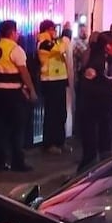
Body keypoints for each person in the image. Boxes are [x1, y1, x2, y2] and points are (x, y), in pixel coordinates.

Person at [0, 19, 37, 172]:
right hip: (14, 94)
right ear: (11, 32)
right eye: (16, 32)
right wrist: (32, 90)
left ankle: (0, 162)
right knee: (18, 128)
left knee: (0, 128)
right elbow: (24, 73)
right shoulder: (15, 50)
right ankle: (18, 162)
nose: (18, 34)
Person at [78, 32, 112, 171]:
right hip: (92, 114)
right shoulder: (96, 62)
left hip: (107, 112)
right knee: (91, 153)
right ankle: (80, 183)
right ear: (107, 46)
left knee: (105, 149)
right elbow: (87, 87)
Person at [37, 19, 70, 154]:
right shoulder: (43, 43)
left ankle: (60, 142)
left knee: (61, 113)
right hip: (50, 81)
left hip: (59, 80)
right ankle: (49, 144)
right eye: (52, 29)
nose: (55, 32)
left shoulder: (53, 42)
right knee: (51, 114)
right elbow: (61, 48)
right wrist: (67, 33)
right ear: (47, 30)